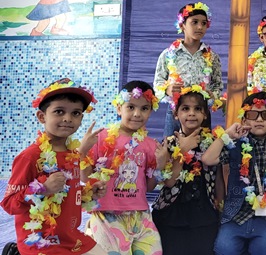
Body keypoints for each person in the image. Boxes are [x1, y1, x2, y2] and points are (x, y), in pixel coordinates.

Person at [1, 78, 107, 255]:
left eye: (75, 113)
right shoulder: (30, 157)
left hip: (71, 238)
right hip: (41, 242)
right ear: (42, 117)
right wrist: (42, 189)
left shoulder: (73, 155)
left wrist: (88, 193)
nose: (67, 118)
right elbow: (9, 204)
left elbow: (67, 195)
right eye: (59, 111)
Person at [200, 92, 266, 255]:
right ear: (244, 119)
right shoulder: (234, 143)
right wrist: (226, 135)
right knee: (224, 249)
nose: (259, 119)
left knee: (265, 250)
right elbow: (207, 159)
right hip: (236, 215)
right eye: (252, 115)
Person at [81, 81, 166, 255]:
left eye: (144, 108)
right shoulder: (101, 138)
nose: (137, 114)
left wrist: (161, 164)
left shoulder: (151, 145)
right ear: (119, 108)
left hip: (141, 216)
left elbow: (149, 187)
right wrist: (82, 152)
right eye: (131, 107)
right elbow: (85, 178)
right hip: (106, 215)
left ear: (151, 111)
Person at [152, 85, 224, 255]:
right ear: (176, 114)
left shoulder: (214, 142)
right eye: (185, 108)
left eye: (197, 109)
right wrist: (182, 151)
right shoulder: (169, 143)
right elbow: (169, 182)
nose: (191, 113)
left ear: (205, 114)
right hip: (172, 213)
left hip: (204, 212)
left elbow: (219, 177)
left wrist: (221, 207)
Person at [154, 2, 223, 137]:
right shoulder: (168, 54)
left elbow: (218, 85)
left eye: (204, 23)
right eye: (194, 22)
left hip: (201, 111)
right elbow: (157, 83)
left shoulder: (212, 56)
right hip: (175, 111)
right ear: (182, 25)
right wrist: (167, 90)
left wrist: (212, 95)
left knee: (203, 146)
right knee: (171, 145)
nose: (200, 27)